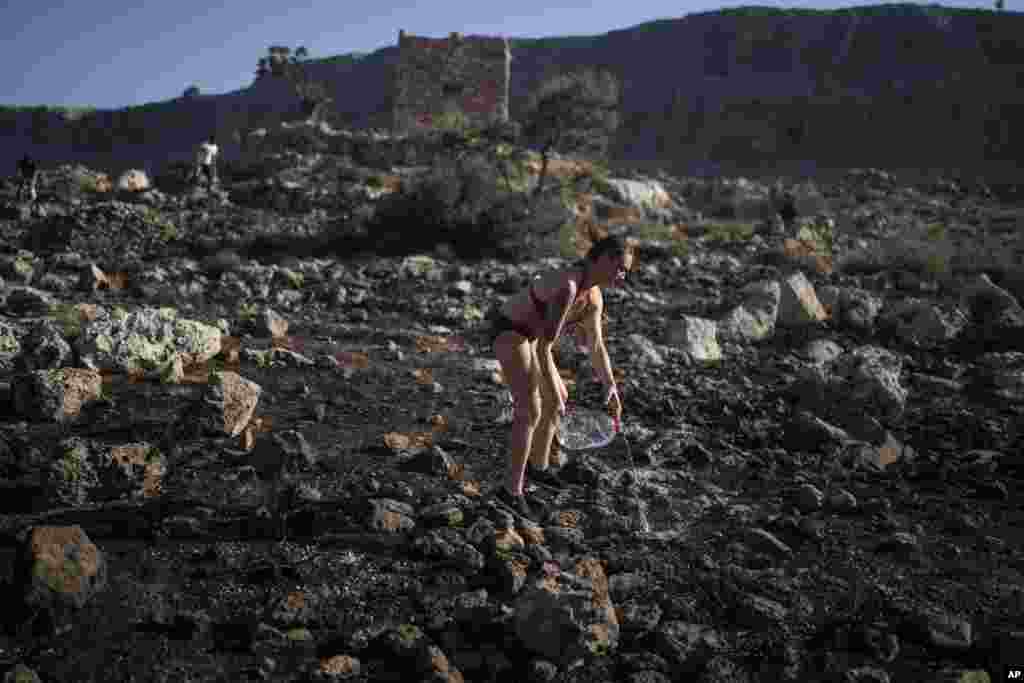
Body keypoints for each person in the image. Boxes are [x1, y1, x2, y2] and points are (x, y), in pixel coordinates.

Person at [491, 232, 634, 520]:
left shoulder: (593, 297)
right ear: (604, 260)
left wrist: (611, 387)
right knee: (529, 410)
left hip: (534, 339)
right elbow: (545, 345)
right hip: (511, 332)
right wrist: (552, 388)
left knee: (558, 402)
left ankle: (538, 468)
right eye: (620, 269)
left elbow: (596, 345)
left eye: (626, 272)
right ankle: (510, 492)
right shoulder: (568, 287)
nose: (622, 277)